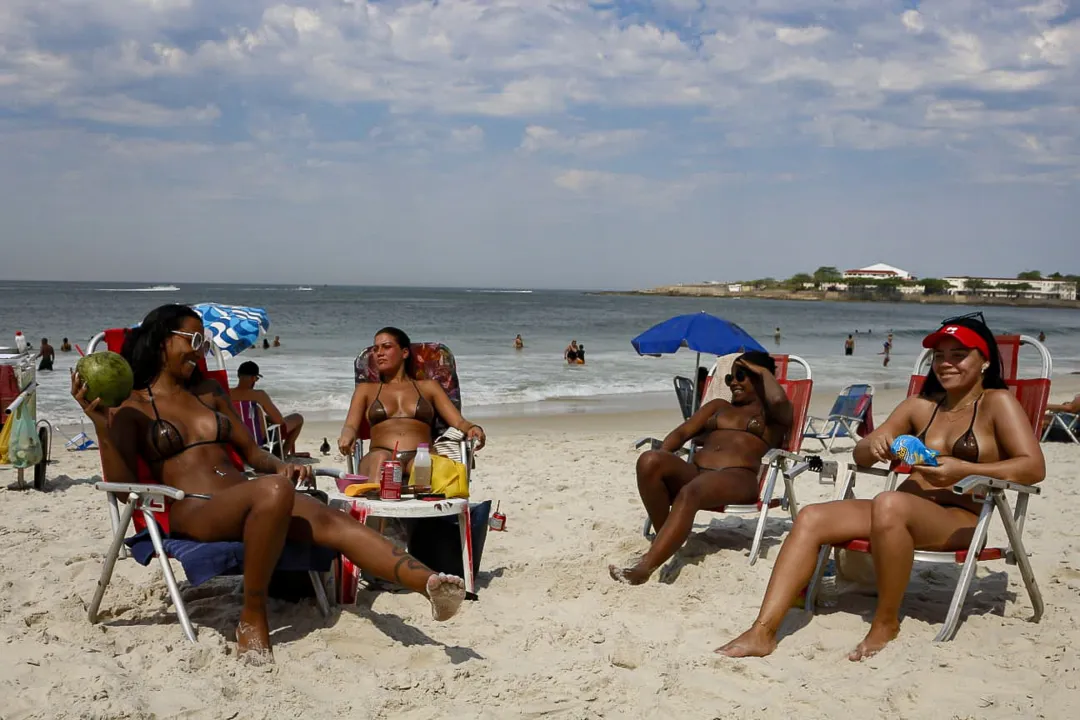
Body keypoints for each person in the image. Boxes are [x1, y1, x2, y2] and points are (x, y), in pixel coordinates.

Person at [71, 305, 465, 662]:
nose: (200, 351)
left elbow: (254, 453)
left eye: (203, 342)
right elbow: (124, 489)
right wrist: (100, 426)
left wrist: (281, 464)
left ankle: (428, 583)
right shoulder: (130, 407)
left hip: (250, 494)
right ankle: (251, 616)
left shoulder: (209, 393)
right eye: (192, 340)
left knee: (332, 520)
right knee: (275, 490)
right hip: (193, 507)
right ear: (161, 341)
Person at [718, 315, 1044, 661]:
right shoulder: (920, 407)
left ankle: (885, 622)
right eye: (939, 356)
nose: (946, 363)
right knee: (813, 517)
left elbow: (1033, 467)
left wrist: (964, 468)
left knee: (889, 503)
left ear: (985, 360)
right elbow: (862, 453)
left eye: (958, 354)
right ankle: (763, 631)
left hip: (961, 517)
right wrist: (874, 446)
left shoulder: (997, 404)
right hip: (898, 510)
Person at [610, 351, 792, 585]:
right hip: (697, 472)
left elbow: (778, 400)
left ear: (760, 377)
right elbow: (682, 432)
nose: (733, 382)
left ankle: (645, 567)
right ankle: (667, 538)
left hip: (738, 477)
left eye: (741, 375)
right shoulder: (718, 406)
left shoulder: (773, 414)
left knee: (691, 491)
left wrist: (764, 370)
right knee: (648, 461)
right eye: (729, 378)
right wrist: (663, 457)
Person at [338, 327, 486, 478]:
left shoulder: (428, 387)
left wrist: (473, 428)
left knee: (424, 463)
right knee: (382, 459)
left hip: (422, 454)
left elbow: (459, 422)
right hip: (380, 453)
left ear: (404, 353)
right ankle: (374, 497)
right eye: (375, 349)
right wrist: (346, 434)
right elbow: (350, 426)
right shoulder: (366, 390)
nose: (379, 353)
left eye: (387, 347)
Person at [231, 361, 307, 458]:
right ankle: (283, 454)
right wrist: (266, 418)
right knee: (298, 418)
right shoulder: (259, 395)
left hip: (235, 439)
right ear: (254, 378)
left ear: (238, 375)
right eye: (257, 378)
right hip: (258, 439)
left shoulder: (227, 394)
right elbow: (279, 421)